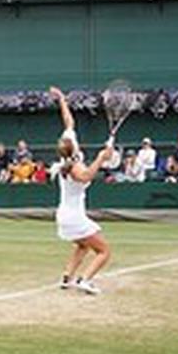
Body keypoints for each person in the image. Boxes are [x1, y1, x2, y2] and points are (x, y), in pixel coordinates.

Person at [50, 86, 112, 295]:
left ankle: (67, 278)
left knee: (83, 246)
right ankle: (85, 281)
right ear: (72, 147)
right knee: (104, 251)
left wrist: (61, 100)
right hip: (74, 217)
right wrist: (101, 158)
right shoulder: (74, 167)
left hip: (65, 215)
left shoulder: (67, 153)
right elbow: (86, 176)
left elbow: (68, 121)